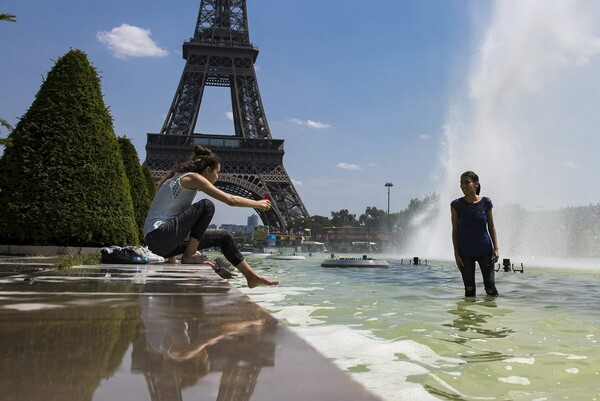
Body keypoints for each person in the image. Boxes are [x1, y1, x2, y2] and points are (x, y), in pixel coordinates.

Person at [143, 145, 279, 288]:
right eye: (217, 172)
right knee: (207, 205)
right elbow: (231, 200)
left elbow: (174, 219)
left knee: (223, 236)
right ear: (207, 171)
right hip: (157, 237)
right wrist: (258, 204)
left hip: (162, 243)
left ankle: (251, 277)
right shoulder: (193, 178)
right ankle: (189, 256)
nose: (218, 176)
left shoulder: (181, 182)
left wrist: (172, 258)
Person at [451, 171, 499, 297]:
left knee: (490, 287)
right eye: (461, 183)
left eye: (467, 182)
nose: (463, 186)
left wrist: (496, 249)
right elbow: (455, 230)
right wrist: (456, 253)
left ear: (476, 184)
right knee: (469, 288)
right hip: (465, 252)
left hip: (485, 250)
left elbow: (492, 226)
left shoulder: (486, 202)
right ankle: (468, 316)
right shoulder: (456, 205)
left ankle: (492, 314)